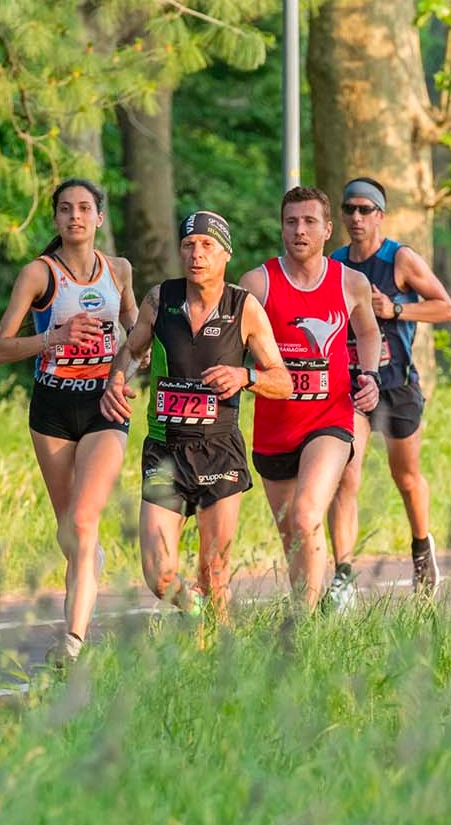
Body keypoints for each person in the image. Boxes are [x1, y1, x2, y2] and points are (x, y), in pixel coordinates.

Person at [101, 211, 290, 619]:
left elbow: (283, 380)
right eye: (188, 245)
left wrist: (244, 375)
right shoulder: (160, 299)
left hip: (219, 450)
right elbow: (132, 351)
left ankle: (219, 661)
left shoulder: (244, 307)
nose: (196, 254)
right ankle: (201, 615)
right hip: (165, 452)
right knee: (159, 575)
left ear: (225, 255)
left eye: (207, 246)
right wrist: (117, 379)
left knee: (214, 572)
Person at [0, 179, 138, 666]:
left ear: (99, 217)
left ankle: (71, 643)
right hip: (52, 410)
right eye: (65, 209)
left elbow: (134, 337)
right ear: (55, 219)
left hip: (103, 408)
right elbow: (1, 349)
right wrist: (54, 337)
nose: (74, 216)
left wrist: (123, 376)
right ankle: (86, 567)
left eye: (84, 208)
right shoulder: (38, 274)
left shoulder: (118, 271)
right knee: (69, 535)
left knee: (82, 520)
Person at [241, 186, 381, 610]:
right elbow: (231, 344)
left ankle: (306, 620)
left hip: (330, 418)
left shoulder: (351, 282)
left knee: (306, 514)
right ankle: (310, 613)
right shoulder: (257, 283)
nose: (299, 230)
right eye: (291, 221)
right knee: (292, 533)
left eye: (308, 222)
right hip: (274, 425)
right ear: (281, 227)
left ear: (326, 229)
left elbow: (369, 331)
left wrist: (370, 374)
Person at [326, 178, 451, 607]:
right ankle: (343, 575)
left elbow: (445, 307)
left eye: (365, 210)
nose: (356, 218)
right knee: (347, 475)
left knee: (405, 476)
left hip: (396, 384)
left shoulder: (399, 259)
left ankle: (422, 548)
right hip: (351, 385)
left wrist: (396, 308)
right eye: (349, 209)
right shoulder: (335, 264)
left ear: (381, 214)